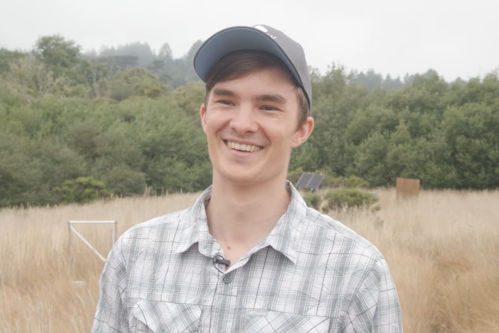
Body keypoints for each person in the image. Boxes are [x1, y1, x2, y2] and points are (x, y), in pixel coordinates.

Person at [92, 24, 403, 332]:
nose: (242, 124)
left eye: (268, 107)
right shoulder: (135, 254)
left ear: (301, 130)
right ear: (204, 116)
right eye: (227, 102)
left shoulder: (356, 271)